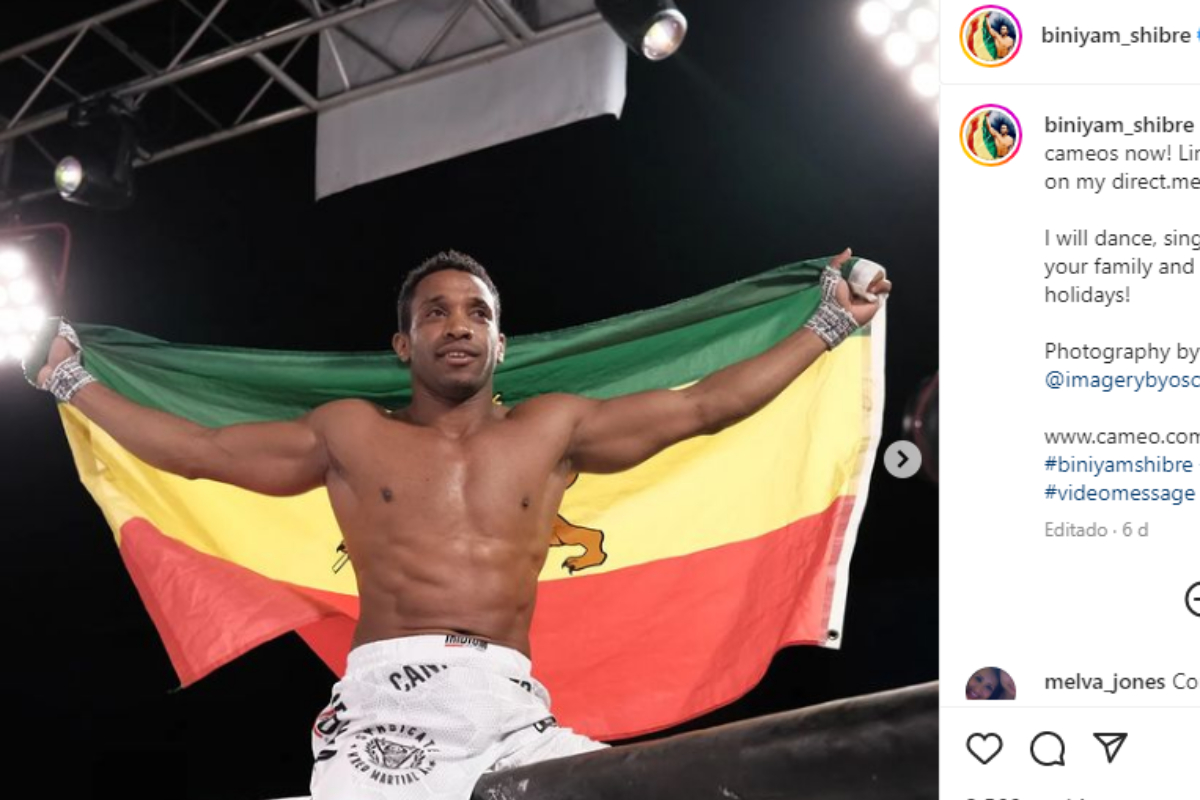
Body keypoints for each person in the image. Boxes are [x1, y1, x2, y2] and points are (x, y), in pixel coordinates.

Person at [31, 248, 890, 799]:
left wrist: (828, 324)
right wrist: (70, 378)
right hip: (385, 715)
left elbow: (704, 406)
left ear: (501, 343)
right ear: (403, 344)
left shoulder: (554, 431)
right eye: (435, 312)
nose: (458, 326)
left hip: (513, 712)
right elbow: (198, 452)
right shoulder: (349, 434)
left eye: (478, 313)